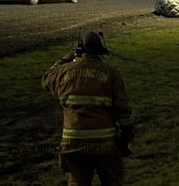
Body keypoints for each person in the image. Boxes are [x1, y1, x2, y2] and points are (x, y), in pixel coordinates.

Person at [42, 32, 135, 186]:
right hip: (104, 143)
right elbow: (123, 111)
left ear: (79, 49)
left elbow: (46, 78)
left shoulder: (63, 72)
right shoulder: (111, 74)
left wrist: (66, 58)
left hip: (73, 143)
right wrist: (126, 138)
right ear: (101, 49)